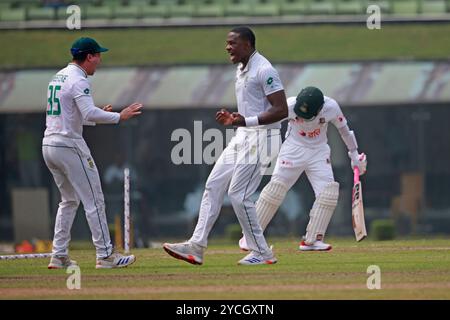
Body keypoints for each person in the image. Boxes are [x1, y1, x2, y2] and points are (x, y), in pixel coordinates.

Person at [163, 26, 289, 265]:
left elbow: (280, 110)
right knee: (213, 184)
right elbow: (252, 109)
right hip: (244, 135)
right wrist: (235, 119)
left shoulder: (265, 70)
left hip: (264, 139)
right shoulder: (242, 69)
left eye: (233, 43)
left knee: (238, 195)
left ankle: (262, 252)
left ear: (248, 45)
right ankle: (196, 246)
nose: (227, 47)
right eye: (227, 43)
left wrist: (245, 120)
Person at [42, 37, 142, 269]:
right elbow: (88, 114)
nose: (99, 61)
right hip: (69, 145)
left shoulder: (58, 77)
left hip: (50, 144)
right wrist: (120, 116)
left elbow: (71, 115)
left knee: (68, 201)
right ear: (89, 57)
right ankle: (106, 255)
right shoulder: (79, 80)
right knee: (94, 200)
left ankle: (58, 255)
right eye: (97, 56)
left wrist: (100, 113)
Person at [239, 86, 367, 251]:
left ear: (320, 109)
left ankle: (312, 240)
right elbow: (266, 120)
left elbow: (344, 131)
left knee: (329, 192)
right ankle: (249, 237)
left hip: (319, 152)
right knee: (275, 190)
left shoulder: (331, 107)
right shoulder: (290, 105)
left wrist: (354, 155)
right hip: (293, 150)